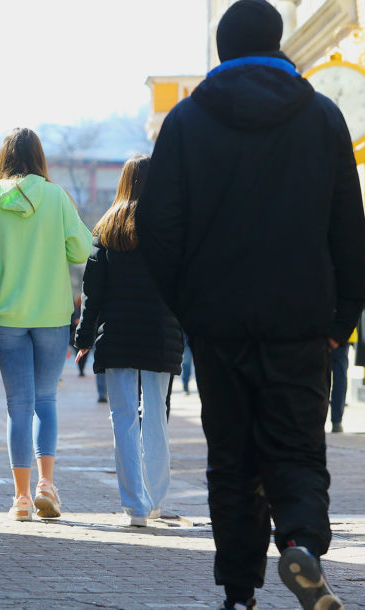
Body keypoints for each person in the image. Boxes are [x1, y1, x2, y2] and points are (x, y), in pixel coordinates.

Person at [135, 1, 365, 607]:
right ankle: (302, 545)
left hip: (219, 324)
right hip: (302, 320)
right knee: (296, 447)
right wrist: (342, 319)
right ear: (280, 41)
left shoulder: (184, 122)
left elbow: (157, 227)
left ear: (221, 51)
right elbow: (350, 226)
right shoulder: (322, 117)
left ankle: (239, 592)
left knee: (232, 457)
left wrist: (190, 306)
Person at [0, 127, 91, 523]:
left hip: (5, 317)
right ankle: (46, 485)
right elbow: (81, 250)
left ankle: (21, 497)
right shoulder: (56, 197)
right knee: (46, 402)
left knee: (18, 407)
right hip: (51, 316)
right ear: (39, 157)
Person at [73, 154, 183, 528]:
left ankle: (135, 506)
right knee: (156, 417)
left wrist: (84, 337)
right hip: (161, 336)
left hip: (117, 334)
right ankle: (155, 498)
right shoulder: (173, 229)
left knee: (123, 418)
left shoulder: (107, 229)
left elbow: (93, 293)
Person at [328, 332, 354, 433]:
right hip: (343, 332)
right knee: (340, 375)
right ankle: (337, 422)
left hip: (320, 332)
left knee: (319, 375)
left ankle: (316, 418)